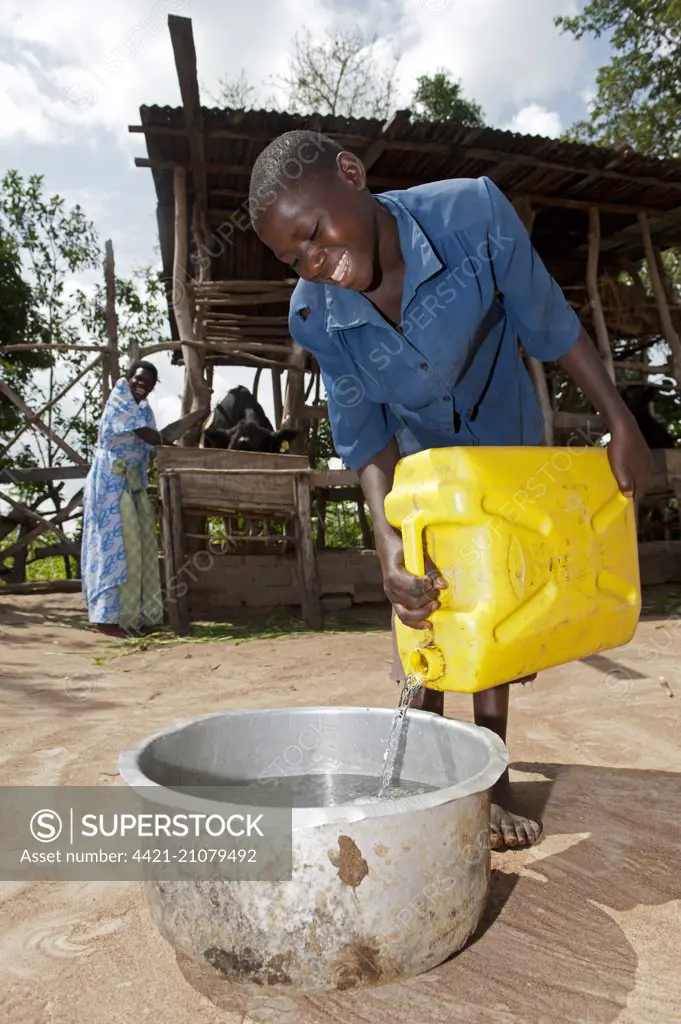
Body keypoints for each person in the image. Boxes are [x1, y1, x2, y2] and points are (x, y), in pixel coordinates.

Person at [248, 130, 652, 851]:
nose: (313, 263)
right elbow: (361, 428)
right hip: (416, 461)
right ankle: (422, 771)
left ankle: (488, 776)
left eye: (312, 233)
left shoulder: (473, 215)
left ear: (351, 173)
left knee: (492, 603)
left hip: (501, 441)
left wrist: (617, 419)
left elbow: (547, 322)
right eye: (292, 257)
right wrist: (387, 541)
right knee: (424, 601)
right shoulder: (314, 312)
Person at [81, 360, 166, 638]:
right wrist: (167, 441)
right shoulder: (119, 395)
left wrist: (164, 445)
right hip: (110, 482)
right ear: (128, 378)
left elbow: (148, 445)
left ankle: (132, 616)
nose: (142, 385)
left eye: (149, 383)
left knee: (137, 546)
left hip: (131, 484)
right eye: (139, 379)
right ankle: (105, 618)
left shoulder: (145, 410)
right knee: (112, 546)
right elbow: (145, 434)